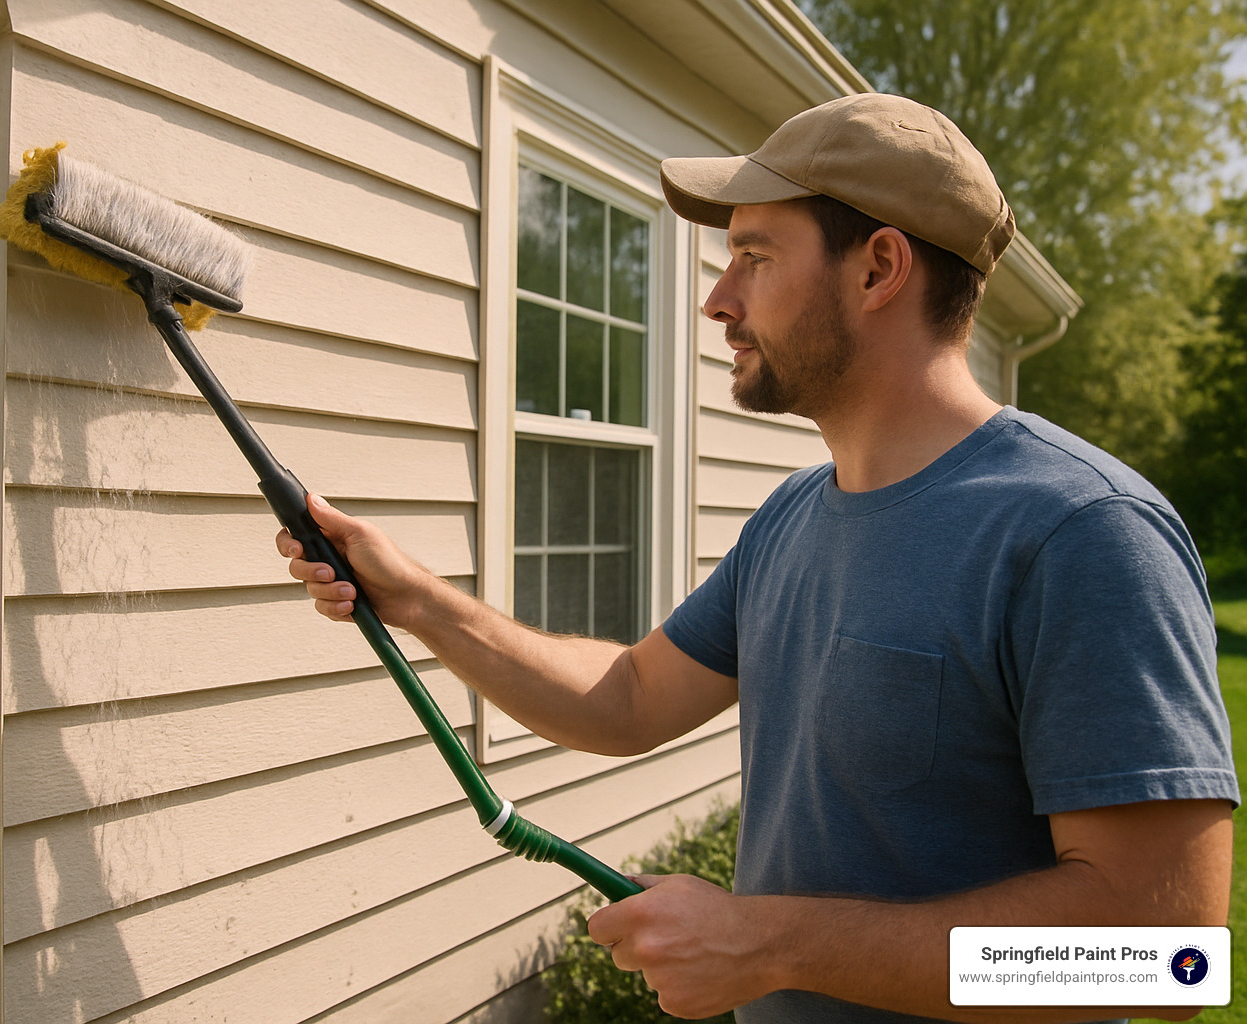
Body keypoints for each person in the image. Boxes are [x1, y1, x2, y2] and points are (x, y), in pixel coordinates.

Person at [276, 93, 1237, 1023]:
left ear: (878, 269)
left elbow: (1164, 958)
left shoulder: (1081, 532)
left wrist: (770, 944)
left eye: (752, 255)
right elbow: (629, 696)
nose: (715, 300)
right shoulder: (792, 518)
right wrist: (420, 601)